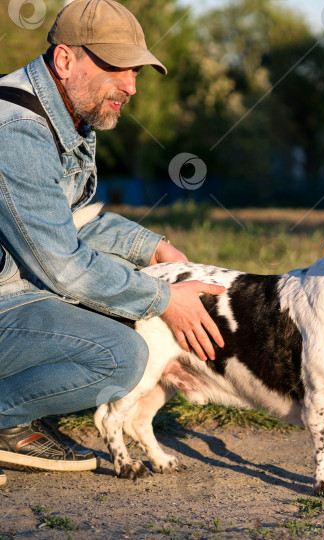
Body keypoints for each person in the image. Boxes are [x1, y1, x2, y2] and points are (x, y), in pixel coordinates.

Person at [0, 0, 225, 488]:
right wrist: (165, 300)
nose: (131, 85)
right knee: (122, 354)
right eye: (116, 68)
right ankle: (4, 418)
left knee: (118, 308)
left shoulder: (64, 111)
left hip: (13, 290)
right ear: (65, 61)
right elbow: (62, 263)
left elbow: (66, 225)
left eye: (136, 70)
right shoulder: (18, 130)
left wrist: (154, 248)